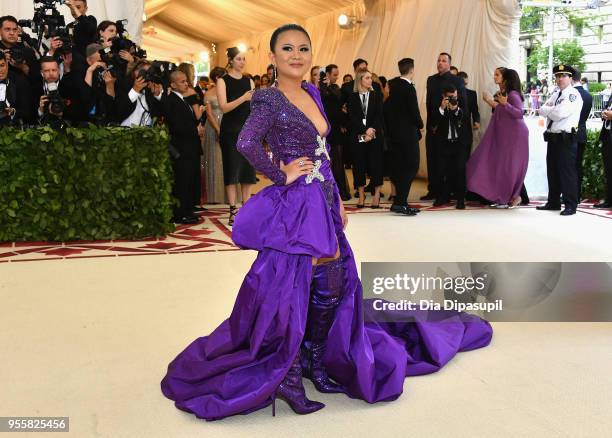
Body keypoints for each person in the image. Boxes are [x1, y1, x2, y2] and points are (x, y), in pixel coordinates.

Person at [160, 23, 492, 421]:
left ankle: (315, 360)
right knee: (296, 280)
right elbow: (246, 142)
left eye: (303, 48)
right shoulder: (268, 98)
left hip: (322, 197)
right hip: (297, 200)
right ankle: (291, 369)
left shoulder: (313, 91)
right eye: (287, 48)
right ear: (273, 57)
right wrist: (282, 173)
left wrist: (337, 201)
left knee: (332, 276)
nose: (296, 55)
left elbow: (323, 152)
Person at [466, 68, 529, 208]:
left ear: (506, 79)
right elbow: (502, 111)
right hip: (506, 135)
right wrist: (495, 102)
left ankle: (510, 197)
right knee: (501, 166)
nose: (494, 77)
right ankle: (503, 196)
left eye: (497, 75)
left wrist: (504, 103)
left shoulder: (513, 95)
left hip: (515, 136)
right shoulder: (505, 94)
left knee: (508, 167)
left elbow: (519, 113)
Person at [216, 47, 256, 225]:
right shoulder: (222, 81)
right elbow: (224, 108)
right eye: (239, 59)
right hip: (230, 131)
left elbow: (254, 108)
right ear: (231, 60)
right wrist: (243, 98)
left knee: (248, 170)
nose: (242, 62)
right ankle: (233, 208)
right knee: (232, 169)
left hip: (247, 130)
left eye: (244, 59)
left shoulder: (249, 81)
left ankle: (247, 206)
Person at [536, 64, 583, 216]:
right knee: (553, 171)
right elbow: (541, 109)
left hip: (566, 139)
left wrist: (549, 111)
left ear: (570, 78)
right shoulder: (556, 94)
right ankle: (553, 201)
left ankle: (570, 205)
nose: (560, 79)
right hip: (553, 138)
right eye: (557, 76)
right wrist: (550, 110)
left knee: (567, 172)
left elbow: (559, 113)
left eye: (564, 76)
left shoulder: (573, 95)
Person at [423, 52, 467, 201]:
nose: (440, 63)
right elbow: (429, 104)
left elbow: (461, 103)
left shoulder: (457, 80)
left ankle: (448, 192)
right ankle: (433, 190)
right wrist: (431, 124)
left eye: (443, 61)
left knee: (448, 165)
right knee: (432, 160)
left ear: (449, 64)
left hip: (450, 127)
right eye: (438, 60)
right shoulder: (431, 80)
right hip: (434, 124)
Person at [162, 70, 203, 224]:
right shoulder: (172, 100)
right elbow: (176, 125)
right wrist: (195, 129)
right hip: (181, 147)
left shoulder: (182, 99)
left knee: (188, 179)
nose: (186, 84)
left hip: (189, 146)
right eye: (182, 82)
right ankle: (180, 213)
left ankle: (186, 210)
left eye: (186, 81)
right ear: (172, 84)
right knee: (182, 181)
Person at [385, 58, 423, 216]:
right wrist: (420, 124)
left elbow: (386, 109)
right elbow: (414, 112)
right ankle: (400, 201)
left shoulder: (391, 85)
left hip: (394, 135)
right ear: (412, 70)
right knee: (411, 166)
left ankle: (399, 201)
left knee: (399, 167)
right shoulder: (409, 88)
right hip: (408, 135)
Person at [347, 69, 385, 208]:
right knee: (359, 165)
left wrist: (371, 131)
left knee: (376, 164)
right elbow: (352, 117)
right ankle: (361, 195)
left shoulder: (377, 95)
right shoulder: (352, 97)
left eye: (371, 78)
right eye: (367, 78)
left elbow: (379, 115)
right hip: (358, 135)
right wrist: (365, 131)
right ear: (360, 80)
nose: (370, 80)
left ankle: (376, 195)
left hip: (374, 135)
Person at [431, 83, 469, 209]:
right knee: (441, 171)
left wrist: (455, 110)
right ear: (444, 96)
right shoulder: (438, 104)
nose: (453, 99)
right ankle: (442, 196)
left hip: (459, 143)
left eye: (455, 96)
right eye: (450, 97)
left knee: (460, 170)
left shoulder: (461, 102)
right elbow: (433, 121)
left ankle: (460, 199)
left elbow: (463, 118)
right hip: (444, 143)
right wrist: (441, 109)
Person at [320, 63, 351, 201]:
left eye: (337, 74)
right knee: (325, 164)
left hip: (335, 130)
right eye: (334, 74)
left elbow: (337, 109)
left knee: (338, 162)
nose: (337, 77)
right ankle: (327, 193)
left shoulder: (336, 89)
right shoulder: (321, 90)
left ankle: (341, 192)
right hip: (325, 130)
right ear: (327, 75)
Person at [202, 66, 226, 204]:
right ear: (217, 78)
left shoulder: (226, 91)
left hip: (226, 123)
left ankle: (227, 194)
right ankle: (215, 194)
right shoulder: (208, 93)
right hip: (213, 126)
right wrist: (218, 129)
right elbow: (209, 114)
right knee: (215, 158)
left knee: (226, 158)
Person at [572, 70, 593, 202]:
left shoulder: (571, 94)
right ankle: (577, 195)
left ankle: (569, 195)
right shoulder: (588, 95)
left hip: (570, 133)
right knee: (578, 166)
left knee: (568, 166)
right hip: (582, 132)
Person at [594, 92, 612, 209]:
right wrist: (604, 113)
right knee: (609, 170)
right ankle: (609, 200)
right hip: (607, 136)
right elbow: (607, 108)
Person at [457, 71, 480, 157]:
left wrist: (476, 121)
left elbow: (475, 110)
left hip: (466, 129)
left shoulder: (472, 94)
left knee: (466, 155)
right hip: (452, 129)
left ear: (467, 81)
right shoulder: (451, 93)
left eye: (464, 80)